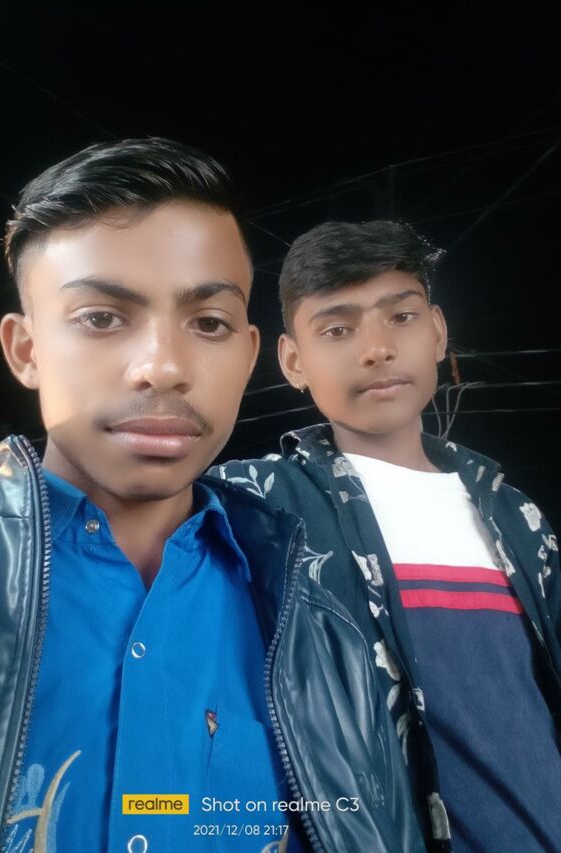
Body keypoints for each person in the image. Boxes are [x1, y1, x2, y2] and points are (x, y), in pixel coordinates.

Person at [0, 143, 424, 853]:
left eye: (209, 323)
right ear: (26, 350)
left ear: (248, 354)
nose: (163, 366)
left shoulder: (324, 641)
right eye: (102, 317)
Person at [213, 220, 561, 852]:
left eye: (400, 317)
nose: (376, 349)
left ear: (438, 332)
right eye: (337, 329)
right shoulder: (254, 508)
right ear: (292, 361)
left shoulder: (518, 519)